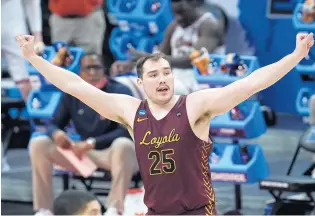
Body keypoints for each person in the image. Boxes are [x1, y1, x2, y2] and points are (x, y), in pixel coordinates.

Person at [17, 32, 314, 215]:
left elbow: (249, 84)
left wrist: (296, 55)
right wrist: (33, 58)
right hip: (156, 212)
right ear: (140, 82)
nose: (162, 79)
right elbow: (75, 86)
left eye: (166, 72)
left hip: (197, 212)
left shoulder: (195, 105)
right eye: (154, 75)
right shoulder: (132, 111)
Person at [29, 53, 138, 216]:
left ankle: (115, 209)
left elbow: (126, 130)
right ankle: (44, 209)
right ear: (80, 72)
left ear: (105, 70)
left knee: (123, 144)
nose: (93, 72)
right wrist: (57, 133)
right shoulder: (73, 93)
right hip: (83, 153)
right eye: (88, 68)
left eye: (96, 67)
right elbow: (52, 123)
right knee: (39, 144)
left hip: (112, 154)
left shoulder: (119, 91)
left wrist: (91, 143)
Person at [110, 0, 226, 95]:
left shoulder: (209, 25)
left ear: (194, 4)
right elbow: (159, 57)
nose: (179, 18)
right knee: (119, 84)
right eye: (175, 14)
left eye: (182, 12)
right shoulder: (174, 26)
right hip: (176, 82)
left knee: (139, 88)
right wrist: (131, 65)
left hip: (201, 85)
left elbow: (192, 61)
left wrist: (148, 58)